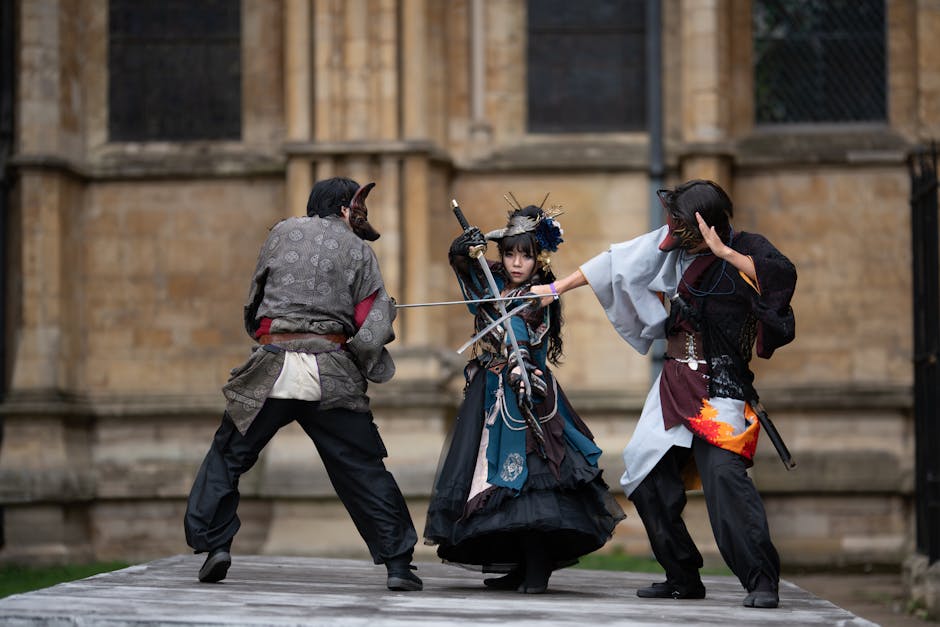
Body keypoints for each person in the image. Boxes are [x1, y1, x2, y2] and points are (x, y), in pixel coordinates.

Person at [530, 179, 797, 609]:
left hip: (720, 389)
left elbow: (781, 281)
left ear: (702, 225)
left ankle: (762, 579)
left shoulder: (747, 249)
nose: (669, 230)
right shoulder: (669, 246)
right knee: (645, 473)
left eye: (679, 222)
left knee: (725, 478)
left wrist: (725, 253)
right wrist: (555, 290)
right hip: (674, 383)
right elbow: (613, 263)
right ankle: (682, 576)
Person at [183, 177, 423, 592]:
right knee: (363, 469)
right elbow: (371, 327)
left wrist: (275, 335)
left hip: (270, 369)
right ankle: (398, 565)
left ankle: (214, 545)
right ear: (348, 208)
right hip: (332, 376)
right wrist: (371, 339)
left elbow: (255, 306)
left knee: (228, 456)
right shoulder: (358, 249)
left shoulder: (280, 232)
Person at [423, 202, 625, 594]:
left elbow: (523, 339)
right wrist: (460, 251)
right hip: (490, 393)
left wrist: (519, 369)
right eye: (510, 253)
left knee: (531, 481)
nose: (517, 262)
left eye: (526, 255)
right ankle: (519, 567)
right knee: (497, 485)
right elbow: (469, 276)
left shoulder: (541, 295)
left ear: (540, 257)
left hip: (527, 392)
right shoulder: (492, 279)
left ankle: (537, 568)